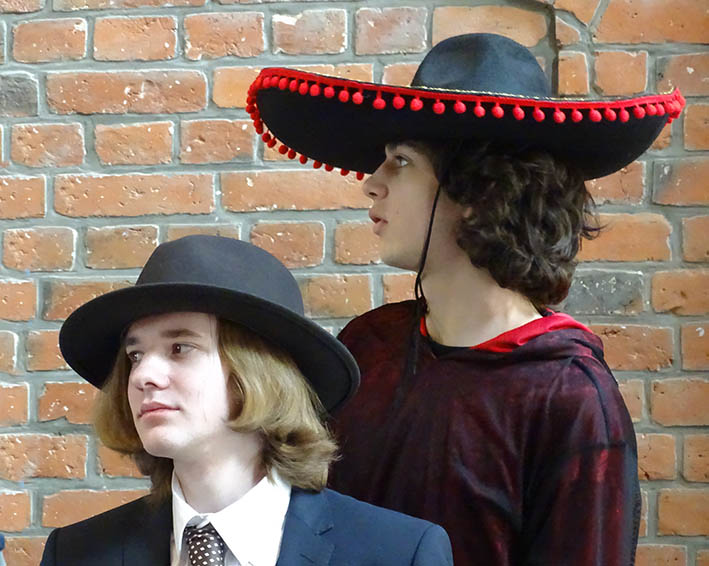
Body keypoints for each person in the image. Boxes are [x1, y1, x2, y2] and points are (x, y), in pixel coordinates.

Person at [249, 33, 685, 565]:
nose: (371, 183)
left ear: (481, 192)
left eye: (401, 162)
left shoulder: (567, 399)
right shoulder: (369, 347)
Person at [40, 235, 453, 566]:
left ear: (259, 373)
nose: (143, 375)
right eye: (135, 355)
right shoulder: (76, 554)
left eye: (180, 348)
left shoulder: (398, 553)